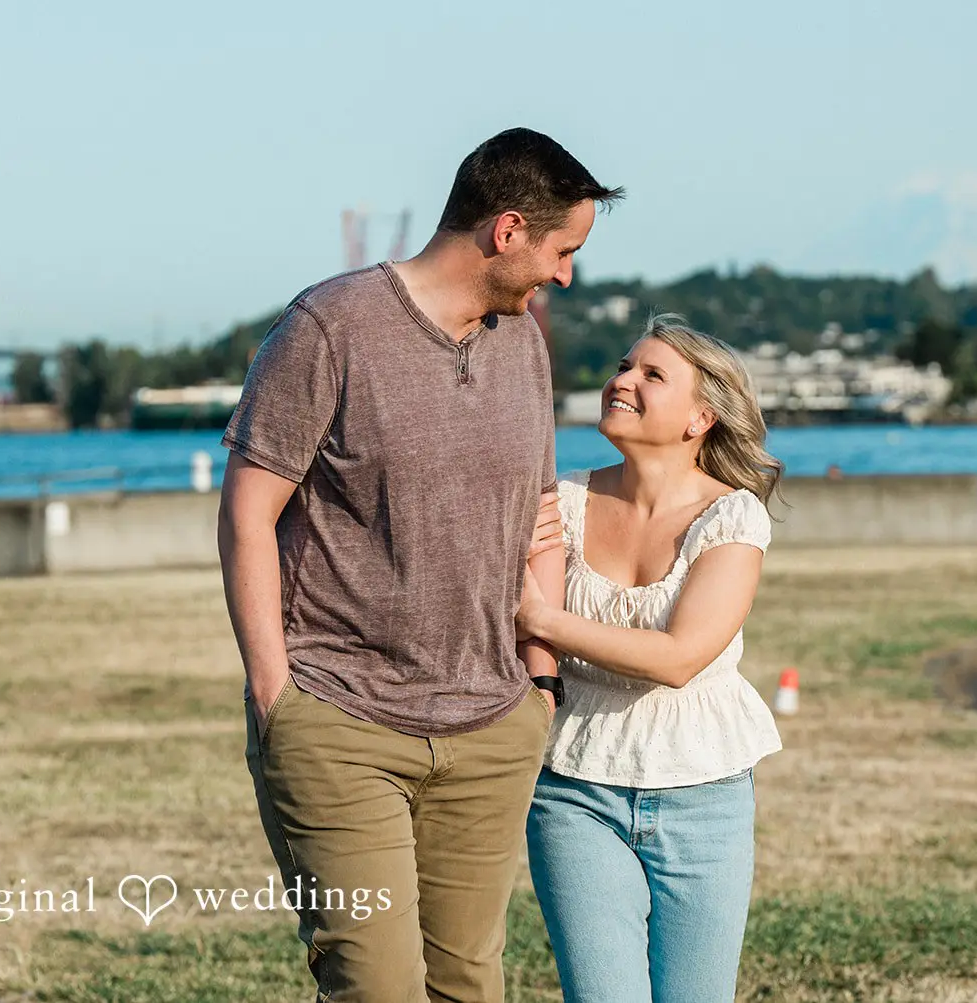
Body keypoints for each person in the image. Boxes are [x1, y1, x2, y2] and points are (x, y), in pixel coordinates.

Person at [217, 127, 621, 1003]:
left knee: (470, 987)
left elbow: (540, 520)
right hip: (339, 722)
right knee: (376, 986)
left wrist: (540, 681)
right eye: (564, 251)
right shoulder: (330, 327)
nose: (566, 276)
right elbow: (248, 513)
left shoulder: (523, 343)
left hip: (491, 728)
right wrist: (274, 694)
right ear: (507, 231)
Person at [512, 314, 785, 1003]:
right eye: (625, 365)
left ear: (700, 417)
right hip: (574, 785)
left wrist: (545, 617)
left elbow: (679, 656)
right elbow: (521, 636)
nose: (622, 380)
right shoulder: (562, 501)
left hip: (706, 793)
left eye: (650, 374)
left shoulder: (733, 518)